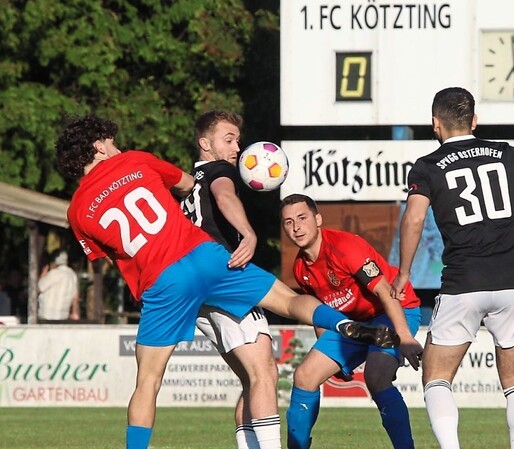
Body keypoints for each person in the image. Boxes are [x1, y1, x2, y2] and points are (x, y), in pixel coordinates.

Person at [55, 114, 399, 449]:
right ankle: (344, 324)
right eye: (111, 143)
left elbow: (113, 257)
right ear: (98, 146)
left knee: (147, 381)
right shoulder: (135, 160)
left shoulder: (76, 212)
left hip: (162, 281)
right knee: (287, 303)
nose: (117, 147)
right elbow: (189, 185)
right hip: (206, 256)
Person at [389, 87, 514, 449]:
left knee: (437, 376)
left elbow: (413, 219)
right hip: (513, 282)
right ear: (475, 121)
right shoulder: (509, 154)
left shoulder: (427, 166)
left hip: (463, 282)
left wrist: (404, 272)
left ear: (435, 124)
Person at [280, 194, 424, 449]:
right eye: (289, 222)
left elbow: (385, 292)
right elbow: (320, 314)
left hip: (395, 309)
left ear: (318, 219)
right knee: (304, 376)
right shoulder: (301, 269)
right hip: (354, 323)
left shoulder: (345, 247)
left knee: (376, 376)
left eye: (302, 218)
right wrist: (331, 357)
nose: (296, 227)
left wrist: (405, 337)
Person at [180, 110, 279, 449]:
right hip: (226, 281)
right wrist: (248, 234)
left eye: (237, 139)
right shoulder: (219, 171)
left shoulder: (186, 185)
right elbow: (225, 196)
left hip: (194, 290)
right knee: (264, 373)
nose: (238, 147)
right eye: (228, 139)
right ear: (204, 144)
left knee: (252, 380)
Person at [37, 250, 80, 321]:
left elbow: (37, 289)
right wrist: (74, 312)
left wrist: (43, 275)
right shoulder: (72, 275)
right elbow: (75, 297)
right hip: (63, 317)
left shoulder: (53, 273)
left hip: (46, 316)